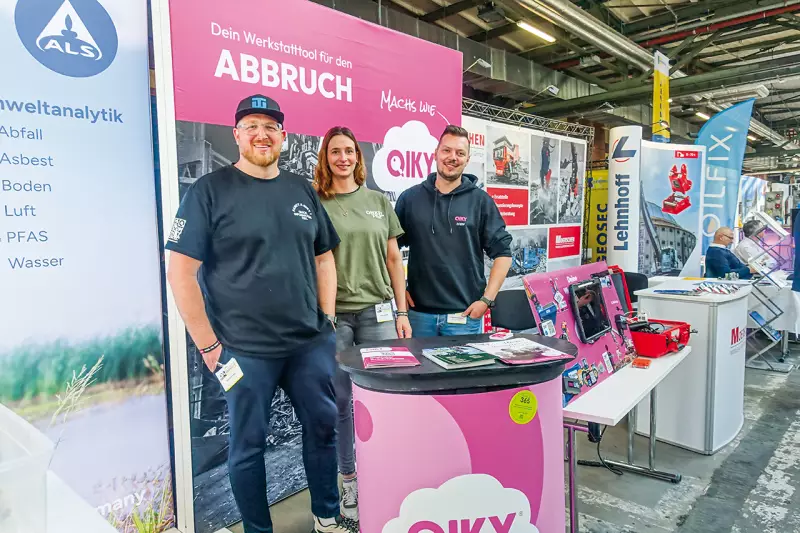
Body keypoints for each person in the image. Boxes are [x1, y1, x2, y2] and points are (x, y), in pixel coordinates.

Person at [165, 94, 357, 533]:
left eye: (270, 127)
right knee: (247, 447)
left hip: (308, 344)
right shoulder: (208, 192)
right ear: (237, 135)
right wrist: (210, 347)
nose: (261, 135)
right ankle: (258, 529)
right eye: (251, 126)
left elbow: (324, 255)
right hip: (243, 350)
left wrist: (326, 320)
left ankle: (326, 516)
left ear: (283, 137)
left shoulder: (300, 189)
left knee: (323, 431)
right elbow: (180, 274)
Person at [312, 126, 411, 521]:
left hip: (379, 313)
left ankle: (387, 475)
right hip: (335, 318)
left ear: (358, 156)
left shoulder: (378, 201)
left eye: (349, 151)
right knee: (341, 404)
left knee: (386, 398)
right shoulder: (317, 201)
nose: (343, 158)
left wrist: (402, 312)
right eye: (335, 151)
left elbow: (393, 260)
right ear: (327, 157)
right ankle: (350, 480)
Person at [395, 125, 513, 336]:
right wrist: (397, 290)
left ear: (467, 160)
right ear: (436, 154)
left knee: (464, 370)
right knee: (420, 370)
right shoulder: (410, 199)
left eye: (460, 153)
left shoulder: (481, 202)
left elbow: (503, 254)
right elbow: (390, 251)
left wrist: (486, 300)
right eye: (446, 150)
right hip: (418, 316)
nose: (452, 157)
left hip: (464, 316)